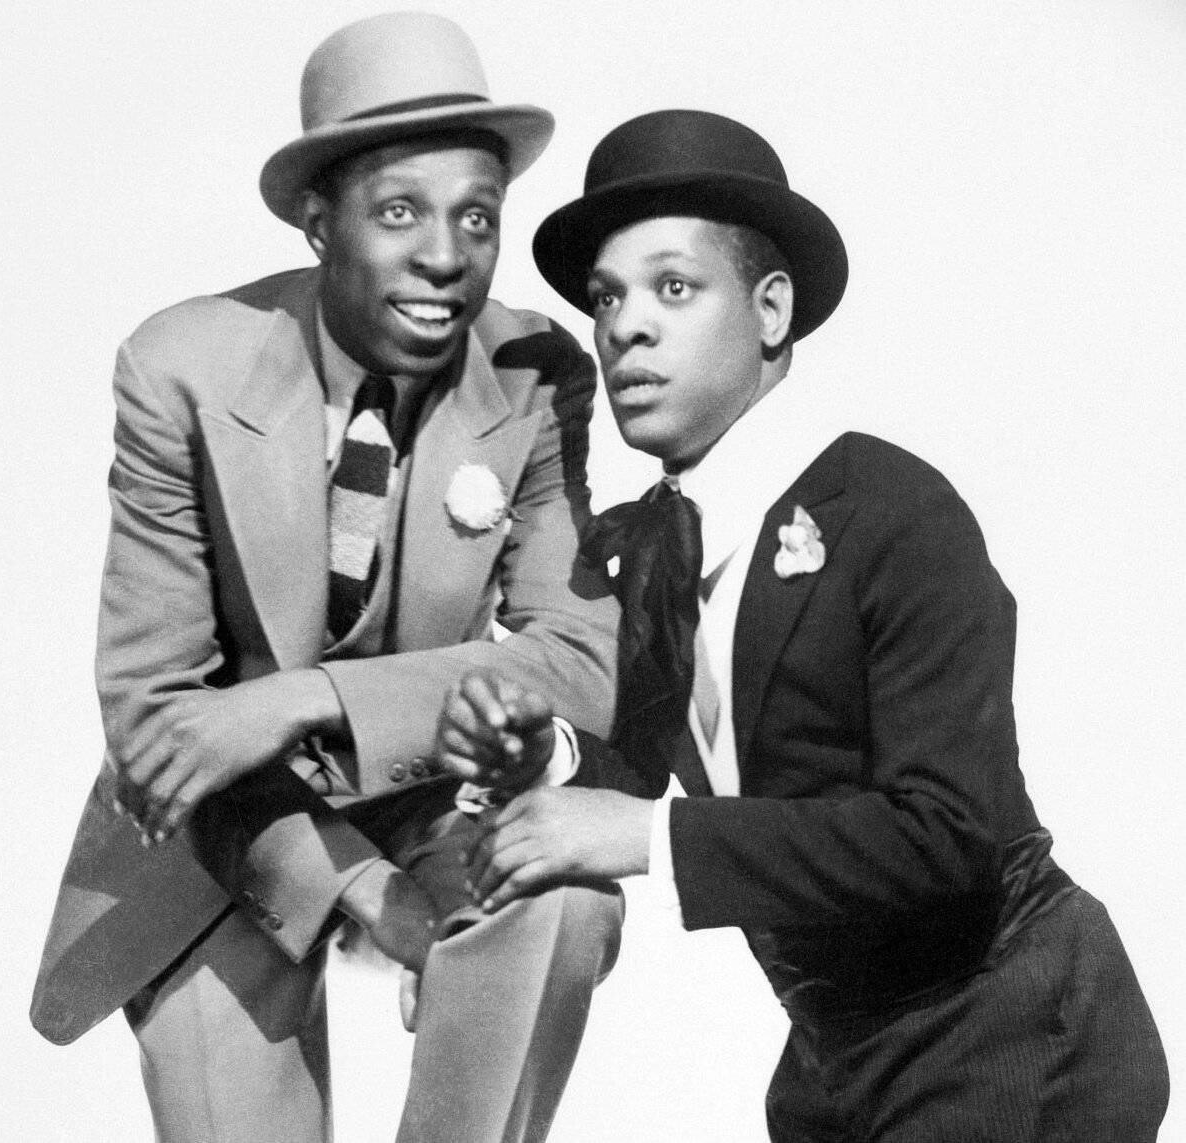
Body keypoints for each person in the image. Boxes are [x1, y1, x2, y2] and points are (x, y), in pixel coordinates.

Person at [437, 110, 1170, 1141]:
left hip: (1007, 1023)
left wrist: (639, 836)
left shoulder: (891, 511)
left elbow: (943, 833)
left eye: (672, 287)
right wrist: (547, 755)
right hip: (834, 1053)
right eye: (606, 297)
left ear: (770, 309)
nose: (623, 327)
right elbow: (659, 768)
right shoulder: (652, 547)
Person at [29, 14, 623, 1143]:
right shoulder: (182, 371)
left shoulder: (534, 374)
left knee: (566, 903)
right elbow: (161, 727)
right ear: (317, 222)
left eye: (476, 218)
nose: (446, 258)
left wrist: (301, 699)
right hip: (221, 842)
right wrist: (367, 897)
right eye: (399, 212)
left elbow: (580, 662)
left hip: (433, 804)